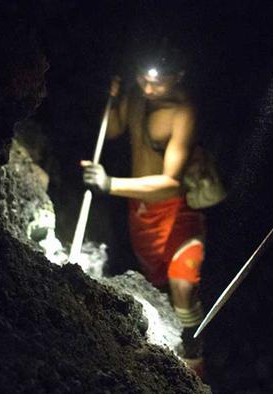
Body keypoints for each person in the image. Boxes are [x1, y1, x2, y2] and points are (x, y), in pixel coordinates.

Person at [80, 45, 206, 374]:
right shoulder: (138, 95)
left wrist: (110, 185)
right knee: (159, 285)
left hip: (178, 211)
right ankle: (168, 359)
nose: (149, 89)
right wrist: (114, 97)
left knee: (183, 282)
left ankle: (194, 353)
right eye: (143, 80)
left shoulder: (183, 112)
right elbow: (115, 128)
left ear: (178, 77)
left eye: (158, 83)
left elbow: (170, 181)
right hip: (141, 213)